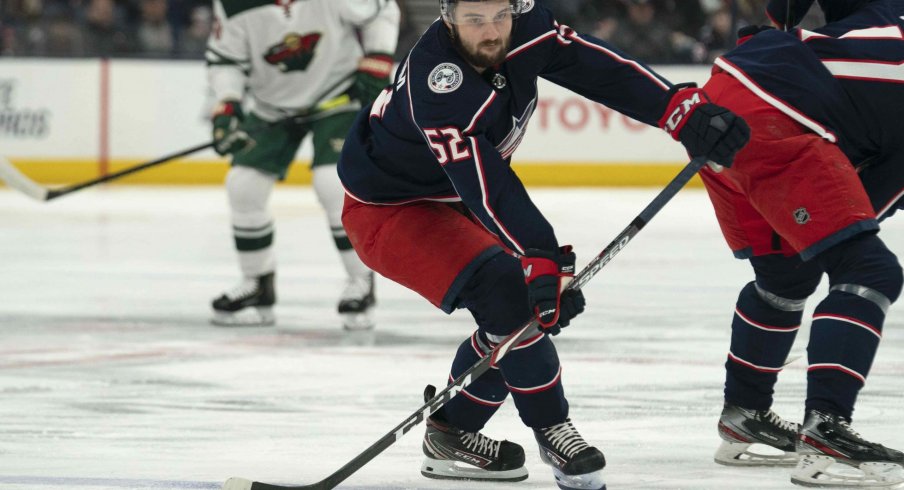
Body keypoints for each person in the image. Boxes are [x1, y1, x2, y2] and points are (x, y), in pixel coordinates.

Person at [337, 0, 749, 487]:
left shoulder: (526, 24)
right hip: (391, 208)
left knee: (523, 311)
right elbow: (483, 181)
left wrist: (675, 108)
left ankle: (452, 431)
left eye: (499, 17)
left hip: (463, 198)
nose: (491, 33)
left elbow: (592, 66)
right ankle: (554, 429)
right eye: (474, 20)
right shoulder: (438, 83)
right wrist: (540, 253)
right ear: (447, 18)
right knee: (509, 294)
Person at [698, 0, 904, 487]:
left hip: (722, 97)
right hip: (775, 118)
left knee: (784, 275)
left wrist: (780, 24)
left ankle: (744, 414)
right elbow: (867, 202)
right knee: (869, 270)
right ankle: (826, 429)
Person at [205, 0, 400, 328]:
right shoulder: (232, 4)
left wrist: (377, 58)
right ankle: (257, 285)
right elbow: (226, 58)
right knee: (243, 185)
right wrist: (228, 103)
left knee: (332, 183)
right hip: (272, 106)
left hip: (337, 96)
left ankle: (360, 280)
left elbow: (383, 9)